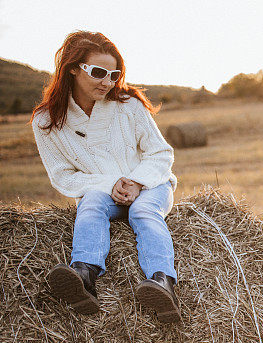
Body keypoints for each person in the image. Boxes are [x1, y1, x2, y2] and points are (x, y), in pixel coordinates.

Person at [31, 31, 180, 323]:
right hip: (102, 191)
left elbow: (161, 153)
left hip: (150, 185)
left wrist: (136, 182)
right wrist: (109, 184)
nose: (107, 82)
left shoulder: (129, 105)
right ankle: (84, 275)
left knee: (144, 211)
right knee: (90, 205)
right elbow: (63, 176)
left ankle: (164, 282)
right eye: (98, 73)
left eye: (114, 74)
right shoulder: (46, 121)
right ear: (73, 68)